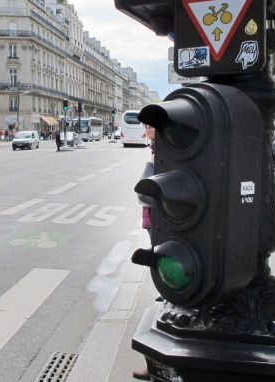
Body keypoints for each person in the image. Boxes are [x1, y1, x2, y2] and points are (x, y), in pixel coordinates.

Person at [132, 124, 156, 381]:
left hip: (162, 220)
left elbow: (146, 192)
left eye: (151, 125)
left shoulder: (164, 152)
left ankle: (158, 366)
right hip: (156, 219)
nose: (147, 129)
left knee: (169, 292)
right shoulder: (157, 150)